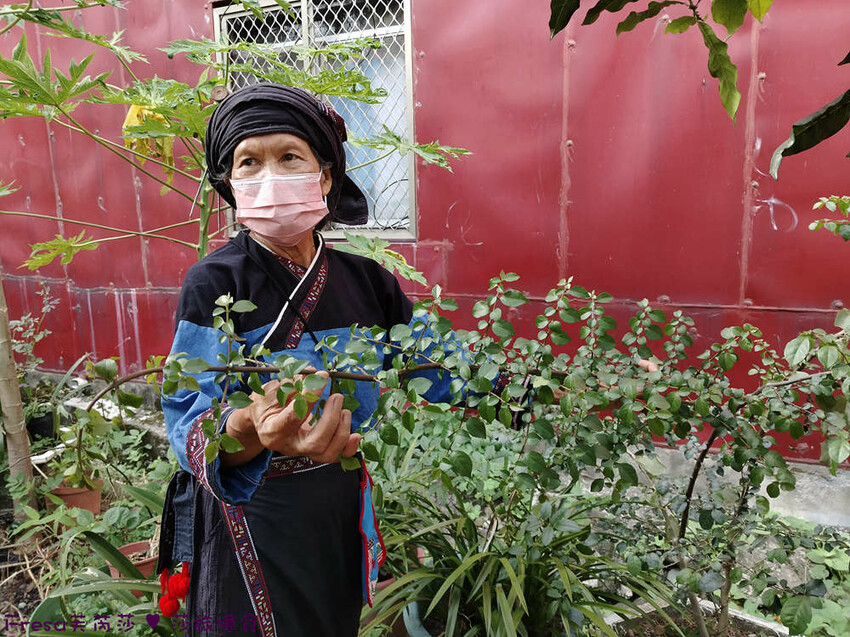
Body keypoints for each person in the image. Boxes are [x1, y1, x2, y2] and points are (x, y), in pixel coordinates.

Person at [156, 83, 452, 637]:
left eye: (289, 156)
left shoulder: (369, 283)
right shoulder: (215, 283)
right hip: (251, 510)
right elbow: (188, 419)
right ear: (230, 184)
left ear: (324, 175)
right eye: (249, 161)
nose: (269, 176)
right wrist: (249, 427)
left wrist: (537, 386)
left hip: (334, 499)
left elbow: (439, 368)